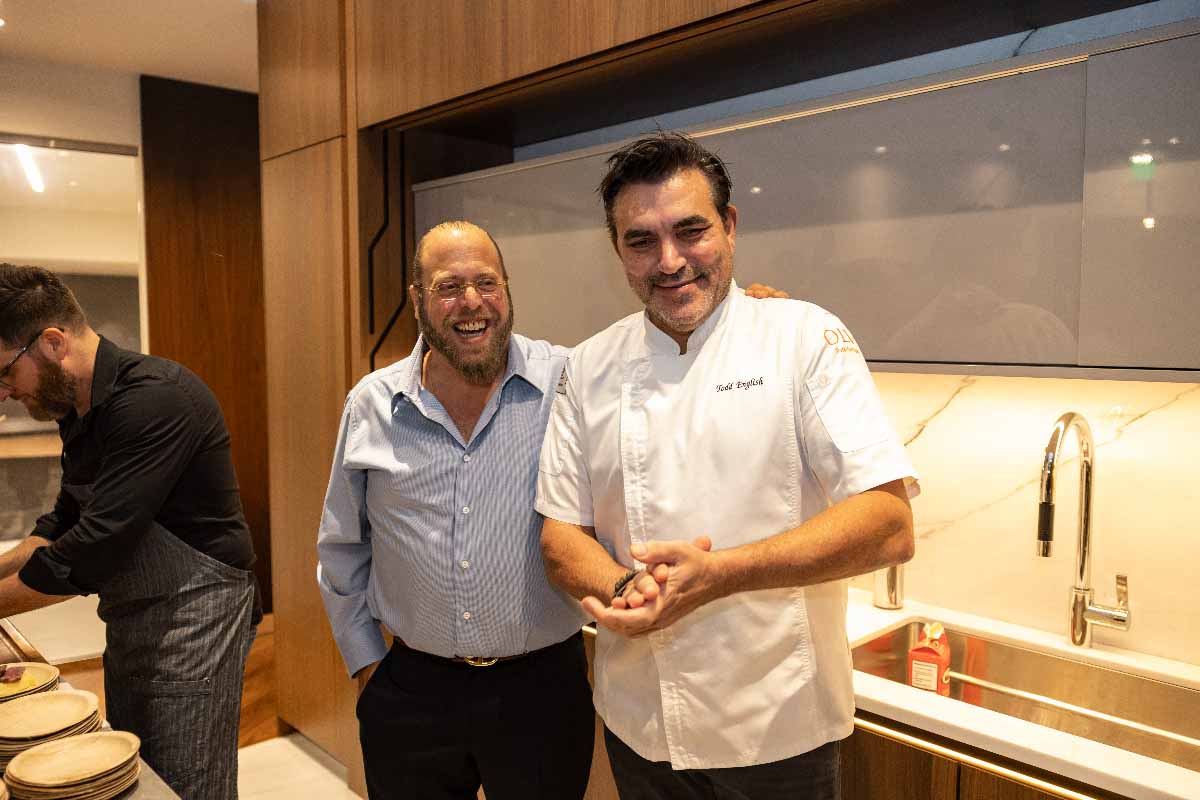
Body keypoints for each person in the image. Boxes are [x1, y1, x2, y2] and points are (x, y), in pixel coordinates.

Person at [316, 220, 787, 799]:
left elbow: (671, 368)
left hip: (540, 690)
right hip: (411, 690)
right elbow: (341, 549)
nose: (471, 303)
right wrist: (368, 669)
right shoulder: (371, 405)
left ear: (508, 290)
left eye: (486, 283)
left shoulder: (572, 379)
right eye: (447, 286)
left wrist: (740, 320)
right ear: (417, 300)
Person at [536, 132, 920, 800]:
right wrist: (630, 589)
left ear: (731, 227)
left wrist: (721, 574)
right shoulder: (588, 366)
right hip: (640, 727)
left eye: (691, 231)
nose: (670, 260)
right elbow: (559, 534)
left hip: (780, 730)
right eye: (641, 241)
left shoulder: (802, 339)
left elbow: (889, 523)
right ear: (617, 250)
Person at [0, 264, 260, 799]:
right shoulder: (77, 409)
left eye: (5, 373)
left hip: (195, 620)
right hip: (133, 616)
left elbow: (93, 549)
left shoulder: (154, 401)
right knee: (137, 780)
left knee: (186, 788)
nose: (4, 392)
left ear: (51, 342)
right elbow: (63, 524)